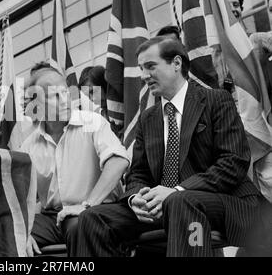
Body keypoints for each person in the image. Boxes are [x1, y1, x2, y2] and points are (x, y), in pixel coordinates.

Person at [75, 37, 263, 257]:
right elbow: (137, 174)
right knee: (92, 219)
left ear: (176, 63)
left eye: (151, 66)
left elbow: (233, 162)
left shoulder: (216, 100)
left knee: (181, 202)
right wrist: (135, 198)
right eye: (141, 69)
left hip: (228, 204)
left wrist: (176, 191)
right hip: (165, 208)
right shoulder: (147, 119)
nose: (144, 76)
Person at [20, 63, 130, 257]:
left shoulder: (93, 122)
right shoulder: (29, 145)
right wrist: (22, 231)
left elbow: (118, 162)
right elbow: (24, 195)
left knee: (78, 224)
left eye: (65, 93)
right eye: (55, 96)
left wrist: (87, 205)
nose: (65, 100)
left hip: (96, 209)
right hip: (53, 217)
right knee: (10, 234)